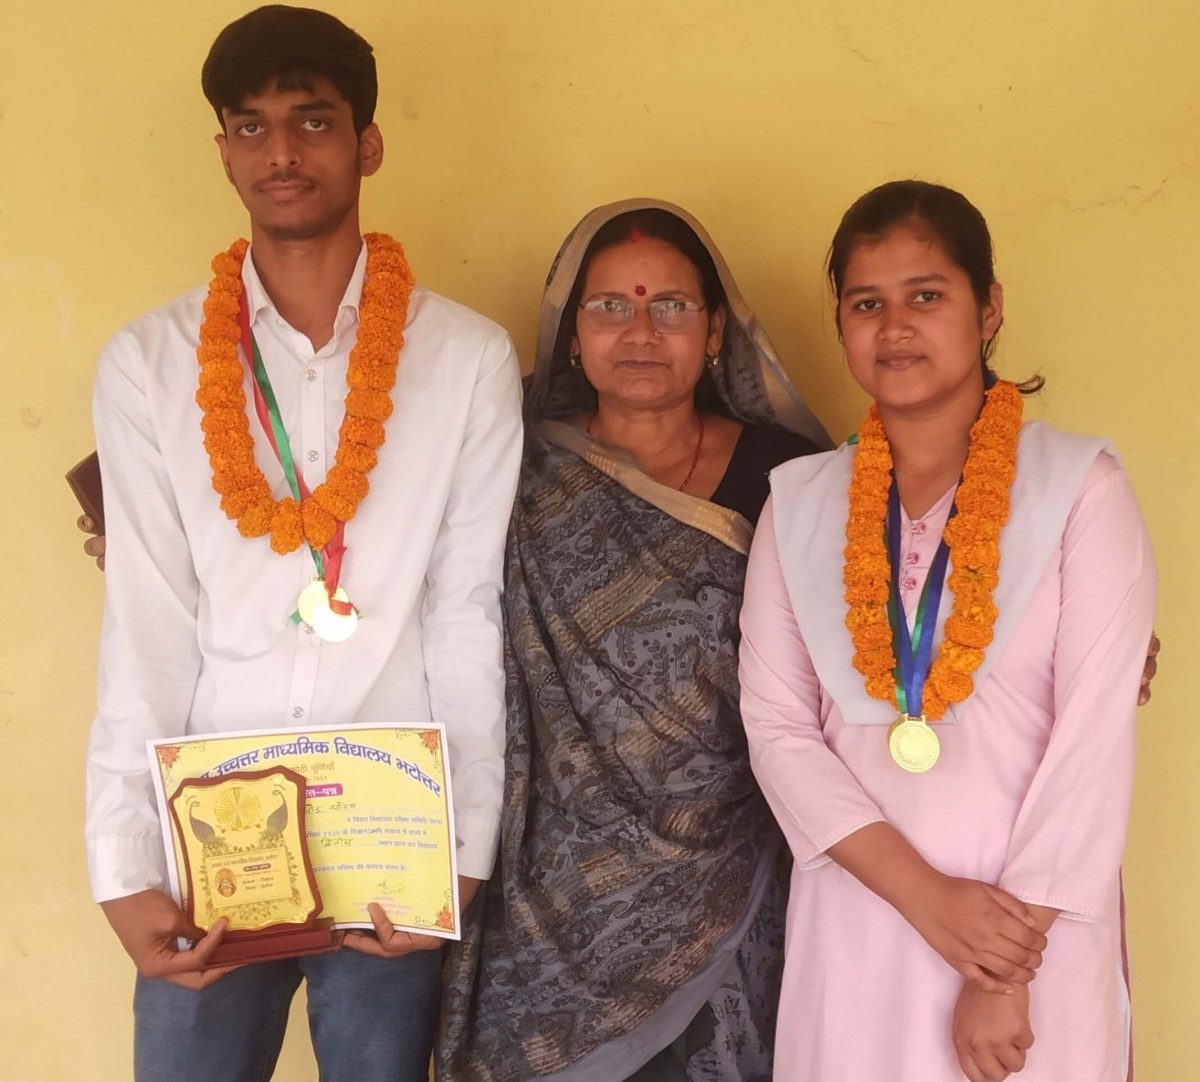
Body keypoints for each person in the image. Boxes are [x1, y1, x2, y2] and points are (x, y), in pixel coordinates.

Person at [84, 7, 522, 1082]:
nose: (281, 151)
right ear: (225, 151)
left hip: (389, 845)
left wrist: (461, 850)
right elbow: (147, 618)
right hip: (210, 840)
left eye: (313, 120)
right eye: (252, 125)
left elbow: (465, 612)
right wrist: (124, 862)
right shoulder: (149, 362)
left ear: (367, 145)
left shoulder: (465, 358)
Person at [738, 180, 1157, 1081]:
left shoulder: (1081, 488)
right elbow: (776, 730)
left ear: (988, 308)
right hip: (861, 922)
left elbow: (1093, 741)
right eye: (866, 304)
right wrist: (927, 900)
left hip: (1034, 943)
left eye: (926, 295)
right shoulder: (798, 505)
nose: (895, 327)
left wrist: (1003, 969)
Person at [437, 199, 830, 1081]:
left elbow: (883, 619)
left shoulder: (792, 476)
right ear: (572, 335)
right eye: (610, 306)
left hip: (732, 875)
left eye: (672, 307)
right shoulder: (512, 466)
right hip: (549, 890)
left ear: (715, 330)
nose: (641, 332)